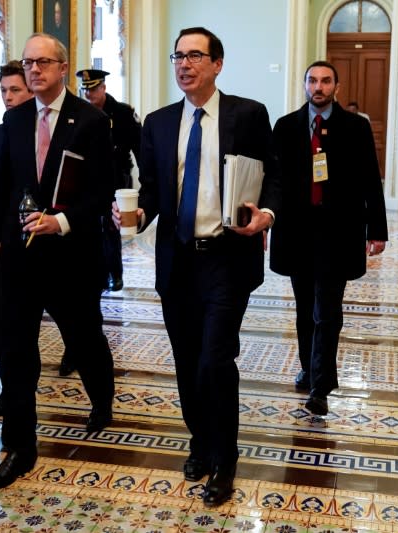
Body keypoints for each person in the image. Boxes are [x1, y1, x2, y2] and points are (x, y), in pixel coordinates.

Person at [113, 27, 281, 506]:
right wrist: (139, 212)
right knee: (187, 362)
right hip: (177, 260)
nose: (184, 65)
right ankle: (201, 441)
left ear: (216, 64)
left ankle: (225, 459)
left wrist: (267, 214)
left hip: (227, 257)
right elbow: (150, 190)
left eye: (195, 56)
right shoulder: (160, 123)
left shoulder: (247, 114)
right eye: (178, 56)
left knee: (215, 360)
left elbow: (274, 174)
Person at [0, 32, 115, 491]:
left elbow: (103, 193)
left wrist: (61, 221)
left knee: (83, 338)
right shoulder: (12, 122)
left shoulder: (91, 122)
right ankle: (19, 447)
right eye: (27, 63)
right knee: (16, 353)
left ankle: (102, 399)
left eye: (43, 63)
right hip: (19, 263)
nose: (34, 70)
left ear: (63, 68)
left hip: (71, 258)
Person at [270, 60, 387, 417]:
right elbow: (272, 180)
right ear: (304, 85)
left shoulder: (356, 127)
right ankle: (309, 367)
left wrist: (377, 230)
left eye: (325, 81)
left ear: (337, 86)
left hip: (338, 233)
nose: (318, 87)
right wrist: (263, 219)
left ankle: (321, 385)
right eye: (312, 80)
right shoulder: (286, 126)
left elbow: (371, 178)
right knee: (305, 310)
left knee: (328, 311)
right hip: (296, 233)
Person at [0, 60, 34, 421]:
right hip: (11, 246)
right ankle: (12, 395)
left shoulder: (47, 128)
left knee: (80, 331)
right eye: (3, 91)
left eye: (15, 90)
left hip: (53, 240)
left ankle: (101, 397)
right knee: (10, 332)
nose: (8, 97)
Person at [76, 68, 141, 292]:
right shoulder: (79, 113)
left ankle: (115, 274)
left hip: (117, 180)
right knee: (92, 227)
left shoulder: (122, 113)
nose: (88, 94)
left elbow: (140, 148)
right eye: (85, 89)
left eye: (93, 89)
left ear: (103, 87)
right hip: (89, 181)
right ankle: (97, 274)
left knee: (113, 228)